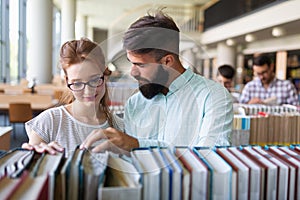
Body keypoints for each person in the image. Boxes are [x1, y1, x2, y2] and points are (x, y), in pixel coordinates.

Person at [80, 10, 233, 155]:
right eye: (131, 63)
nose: (133, 72)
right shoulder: (134, 103)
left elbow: (211, 157)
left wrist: (138, 145)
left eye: (140, 64)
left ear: (167, 61)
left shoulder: (213, 96)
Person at [21, 38, 123, 157]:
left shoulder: (119, 126)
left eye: (95, 80)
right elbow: (29, 173)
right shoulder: (49, 122)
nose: (88, 91)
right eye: (78, 83)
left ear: (105, 76)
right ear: (67, 81)